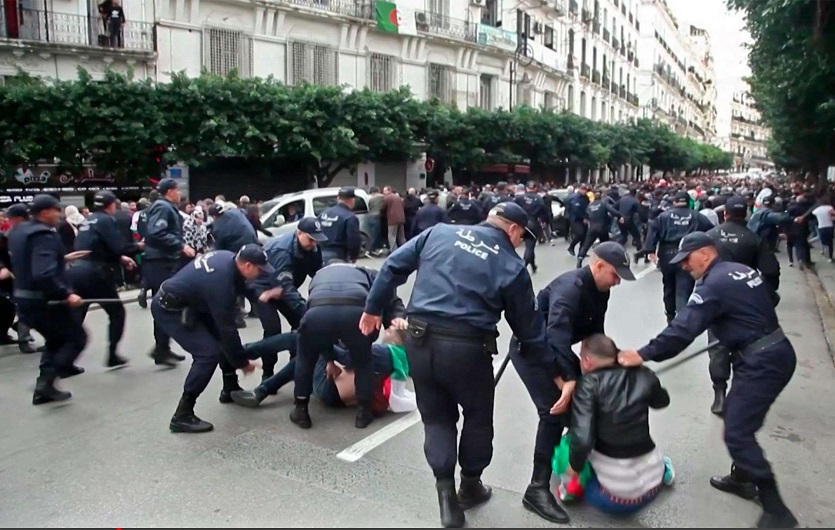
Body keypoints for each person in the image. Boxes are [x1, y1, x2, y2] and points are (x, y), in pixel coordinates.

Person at [359, 202, 547, 529]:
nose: (519, 243)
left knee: (437, 419)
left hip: (419, 339)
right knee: (476, 418)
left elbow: (391, 266)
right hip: (467, 349)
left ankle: (446, 498)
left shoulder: (439, 232)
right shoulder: (511, 264)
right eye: (521, 236)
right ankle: (470, 485)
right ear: (513, 229)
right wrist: (549, 368)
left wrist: (373, 309)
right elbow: (528, 329)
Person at [618, 232, 798, 529]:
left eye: (687, 260)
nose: (685, 267)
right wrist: (737, 323)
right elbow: (771, 298)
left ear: (705, 253)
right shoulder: (741, 270)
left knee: (737, 432)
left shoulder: (712, 284)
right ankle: (742, 477)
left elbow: (682, 331)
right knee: (738, 417)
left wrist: (642, 354)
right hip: (772, 351)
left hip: (762, 362)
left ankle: (776, 509)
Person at [510, 240, 634, 524]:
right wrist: (567, 379)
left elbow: (594, 335)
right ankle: (537, 489)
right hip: (533, 352)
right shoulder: (570, 289)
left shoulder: (601, 289)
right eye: (615, 275)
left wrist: (610, 364)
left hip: (560, 349)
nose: (617, 283)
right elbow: (556, 337)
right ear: (598, 265)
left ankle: (576, 452)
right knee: (553, 411)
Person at [151, 246, 266, 433]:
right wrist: (242, 362)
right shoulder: (219, 282)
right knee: (208, 354)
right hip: (170, 309)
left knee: (219, 340)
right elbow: (227, 328)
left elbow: (240, 284)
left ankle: (230, 387)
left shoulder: (229, 260)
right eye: (260, 269)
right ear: (247, 265)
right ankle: (182, 414)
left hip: (192, 302)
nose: (261, 273)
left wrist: (258, 296)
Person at [290, 258, 407, 430]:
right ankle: (363, 413)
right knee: (363, 361)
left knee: (305, 359)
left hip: (318, 313)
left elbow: (315, 306)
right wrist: (395, 317)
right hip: (356, 313)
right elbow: (388, 293)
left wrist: (328, 358)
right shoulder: (367, 272)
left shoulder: (319, 275)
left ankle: (301, 410)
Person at [564, 334, 675, 515]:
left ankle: (570, 491)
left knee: (568, 448)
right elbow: (662, 401)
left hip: (619, 500)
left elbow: (582, 440)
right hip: (654, 486)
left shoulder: (588, 384)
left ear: (586, 361)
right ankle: (665, 470)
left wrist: (573, 468)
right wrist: (648, 376)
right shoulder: (642, 373)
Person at [705, 196, 781, 416]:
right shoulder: (753, 238)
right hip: (746, 301)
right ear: (745, 214)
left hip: (716, 299)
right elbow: (770, 271)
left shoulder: (710, 237)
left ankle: (719, 395)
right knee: (743, 346)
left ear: (725, 213)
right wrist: (765, 295)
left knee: (717, 346)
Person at [9, 195, 87, 405]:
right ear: (44, 212)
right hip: (45, 301)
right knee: (76, 338)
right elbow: (43, 273)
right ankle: (48, 381)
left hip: (24, 298)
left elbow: (26, 260)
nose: (58, 214)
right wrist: (66, 293)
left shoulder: (19, 231)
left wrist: (61, 259)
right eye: (55, 210)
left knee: (55, 341)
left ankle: (45, 387)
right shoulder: (44, 235)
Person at [68, 191, 142, 368]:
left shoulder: (88, 220)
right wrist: (138, 246)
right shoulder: (106, 220)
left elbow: (96, 246)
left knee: (77, 315)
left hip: (77, 270)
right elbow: (119, 246)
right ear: (111, 205)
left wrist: (120, 259)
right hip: (96, 274)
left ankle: (65, 359)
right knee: (117, 313)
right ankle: (112, 355)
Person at [250, 217, 326, 386]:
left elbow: (319, 273)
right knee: (273, 329)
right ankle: (267, 373)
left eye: (317, 240)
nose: (314, 244)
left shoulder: (313, 247)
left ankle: (296, 364)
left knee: (301, 324)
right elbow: (286, 288)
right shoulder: (282, 251)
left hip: (284, 287)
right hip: (264, 289)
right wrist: (308, 312)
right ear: (299, 233)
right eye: (311, 239)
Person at [639, 190, 712, 323]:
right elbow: (711, 231)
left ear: (674, 202)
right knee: (684, 288)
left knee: (668, 286)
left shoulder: (663, 216)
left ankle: (670, 316)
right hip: (688, 252)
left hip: (667, 253)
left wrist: (650, 250)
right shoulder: (696, 216)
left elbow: (652, 231)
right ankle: (682, 321)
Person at [143, 178, 194, 365]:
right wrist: (180, 246)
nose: (180, 193)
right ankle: (161, 348)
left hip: (163, 261)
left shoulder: (164, 207)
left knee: (166, 302)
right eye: (177, 190)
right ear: (170, 191)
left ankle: (163, 347)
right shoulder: (163, 207)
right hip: (160, 263)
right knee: (164, 303)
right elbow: (156, 232)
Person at [318, 187, 361, 264]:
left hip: (320, 254)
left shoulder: (324, 213)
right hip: (338, 256)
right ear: (352, 200)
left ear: (338, 198)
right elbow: (354, 240)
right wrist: (353, 256)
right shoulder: (350, 217)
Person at [515, 181, 548, 273]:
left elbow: (513, 208)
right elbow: (544, 213)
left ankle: (533, 265)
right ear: (536, 188)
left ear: (526, 188)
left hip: (520, 223)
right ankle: (523, 267)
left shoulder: (519, 198)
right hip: (532, 223)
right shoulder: (539, 199)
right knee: (530, 246)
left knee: (526, 246)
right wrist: (545, 222)